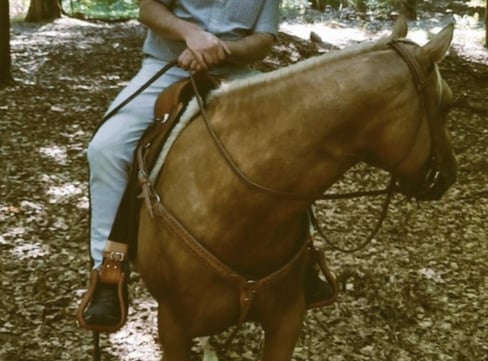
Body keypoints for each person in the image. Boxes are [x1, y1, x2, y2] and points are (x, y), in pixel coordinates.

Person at [80, 0, 334, 331]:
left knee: (293, 145)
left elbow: (265, 37)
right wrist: (191, 35)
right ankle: (108, 272)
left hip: (238, 75)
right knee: (106, 148)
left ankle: (305, 260)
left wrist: (221, 49)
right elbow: (148, 9)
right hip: (168, 65)